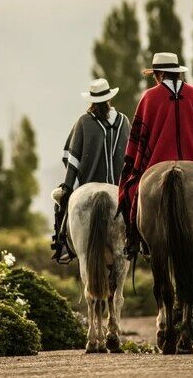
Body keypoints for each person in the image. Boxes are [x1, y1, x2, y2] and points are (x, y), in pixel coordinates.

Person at [117, 52, 193, 260]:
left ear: (159, 74)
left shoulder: (149, 97)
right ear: (177, 72)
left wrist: (133, 170)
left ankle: (133, 238)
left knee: (132, 190)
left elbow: (138, 141)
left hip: (157, 162)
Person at [51, 78, 130, 263]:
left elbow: (71, 158)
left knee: (61, 201)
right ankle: (138, 242)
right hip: (119, 185)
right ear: (109, 98)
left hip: (88, 182)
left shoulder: (84, 121)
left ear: (92, 100)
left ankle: (62, 244)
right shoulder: (124, 121)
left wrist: (67, 185)